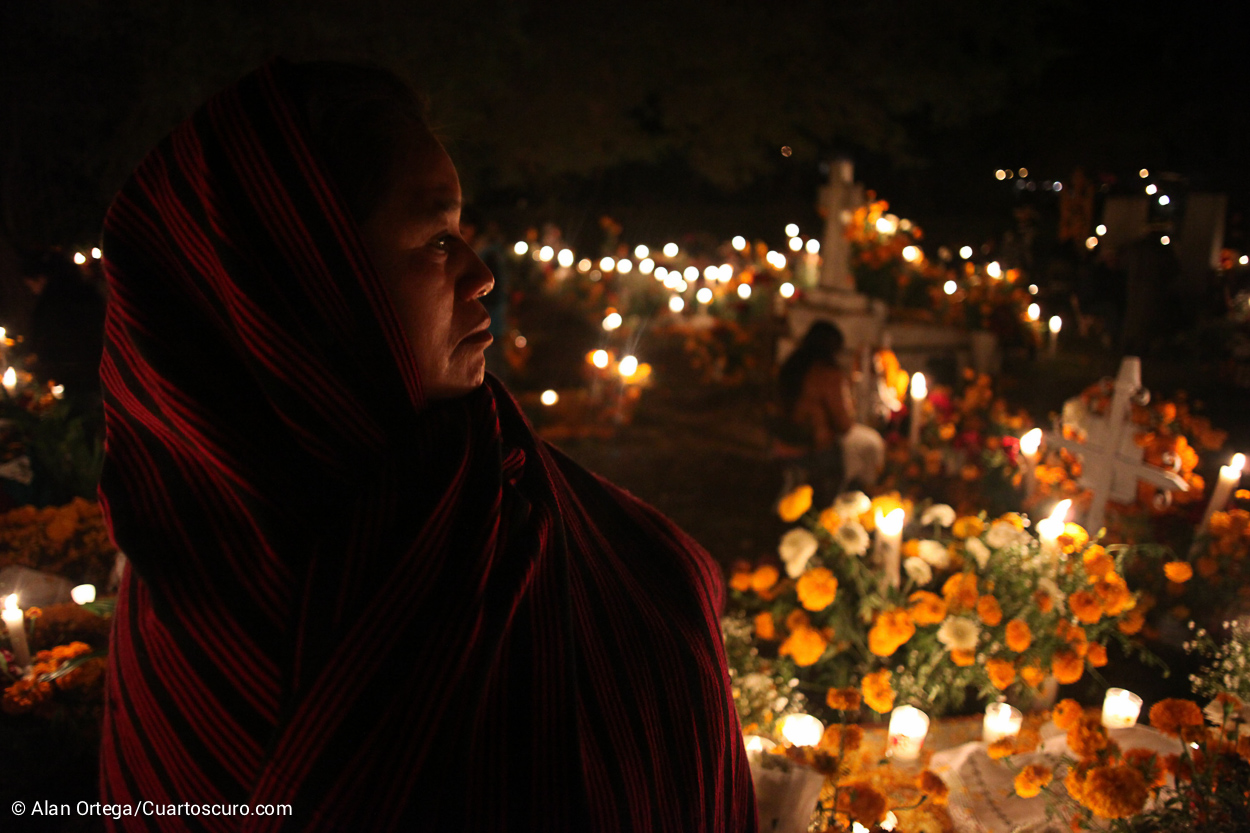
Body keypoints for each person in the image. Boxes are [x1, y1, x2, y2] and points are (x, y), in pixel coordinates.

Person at [97, 60, 755, 831]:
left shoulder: (514, 493)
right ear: (305, 280)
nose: (481, 277)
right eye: (438, 239)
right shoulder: (199, 565)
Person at [775, 321, 883, 504]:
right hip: (812, 446)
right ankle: (857, 497)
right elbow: (843, 424)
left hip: (782, 438)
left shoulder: (792, 365)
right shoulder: (827, 374)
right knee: (870, 445)